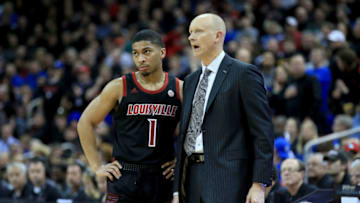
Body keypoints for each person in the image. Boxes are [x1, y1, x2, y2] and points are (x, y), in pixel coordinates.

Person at [173, 13, 274, 203]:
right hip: (191, 179)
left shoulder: (244, 74)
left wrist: (259, 183)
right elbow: (185, 136)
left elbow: (263, 131)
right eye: (190, 32)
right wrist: (177, 189)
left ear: (218, 36)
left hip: (230, 180)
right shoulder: (190, 81)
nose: (191, 37)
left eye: (198, 31)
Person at [77, 29, 183, 203]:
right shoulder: (119, 86)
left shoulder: (179, 88)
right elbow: (85, 122)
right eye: (135, 53)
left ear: (162, 52)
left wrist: (181, 161)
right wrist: (96, 166)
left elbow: (198, 129)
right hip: (124, 174)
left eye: (147, 52)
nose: (140, 59)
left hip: (161, 177)